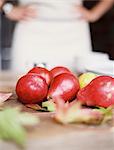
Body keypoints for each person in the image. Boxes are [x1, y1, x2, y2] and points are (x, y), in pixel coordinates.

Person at [5, 0, 114, 72]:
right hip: (31, 29)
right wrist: (7, 8)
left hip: (74, 31)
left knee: (78, 85)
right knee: (22, 83)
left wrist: (94, 14)